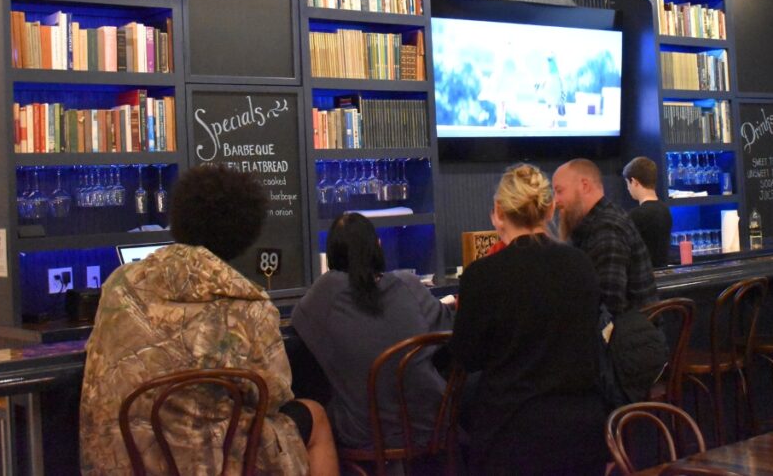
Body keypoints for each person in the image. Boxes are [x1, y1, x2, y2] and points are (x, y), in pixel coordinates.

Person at [80, 165, 338, 476]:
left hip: (123, 458)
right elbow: (274, 395)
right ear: (246, 231)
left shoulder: (120, 284)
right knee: (315, 414)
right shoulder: (249, 305)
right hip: (212, 463)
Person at [449, 163, 608, 476]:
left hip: (510, 437)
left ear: (497, 211)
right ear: (549, 211)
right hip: (583, 432)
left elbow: (466, 357)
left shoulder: (482, 276)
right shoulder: (581, 265)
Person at [291, 212, 454, 452]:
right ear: (378, 246)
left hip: (367, 433)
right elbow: (448, 325)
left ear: (331, 257)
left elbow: (297, 321)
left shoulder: (325, 292)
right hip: (433, 423)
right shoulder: (408, 284)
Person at [553, 158, 658, 314]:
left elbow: (609, 308)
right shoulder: (603, 221)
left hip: (627, 336)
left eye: (559, 191)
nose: (555, 200)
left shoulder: (607, 229)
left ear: (584, 186)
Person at [622, 156, 672, 268]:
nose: (627, 188)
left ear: (634, 182)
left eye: (627, 183)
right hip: (663, 273)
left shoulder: (636, 215)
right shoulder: (665, 210)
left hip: (644, 277)